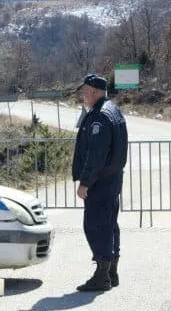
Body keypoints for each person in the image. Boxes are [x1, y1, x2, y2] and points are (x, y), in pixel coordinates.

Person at [72, 74, 128, 292]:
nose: (83, 95)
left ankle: (102, 275)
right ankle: (111, 272)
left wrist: (85, 182)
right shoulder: (113, 110)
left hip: (100, 182)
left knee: (96, 225)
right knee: (109, 224)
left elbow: (96, 155)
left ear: (94, 91)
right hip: (112, 179)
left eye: (85, 91)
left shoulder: (99, 117)